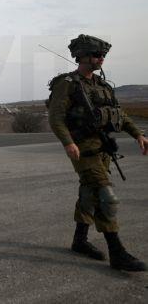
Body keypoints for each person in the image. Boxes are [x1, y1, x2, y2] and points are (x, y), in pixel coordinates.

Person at [47, 34, 148, 271]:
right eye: (96, 55)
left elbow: (119, 115)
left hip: (103, 148)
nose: (101, 59)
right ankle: (117, 253)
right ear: (82, 56)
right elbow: (56, 118)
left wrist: (138, 135)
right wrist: (68, 142)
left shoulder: (102, 86)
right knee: (107, 197)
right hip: (83, 150)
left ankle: (79, 241)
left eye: (102, 55)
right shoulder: (68, 84)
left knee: (89, 192)